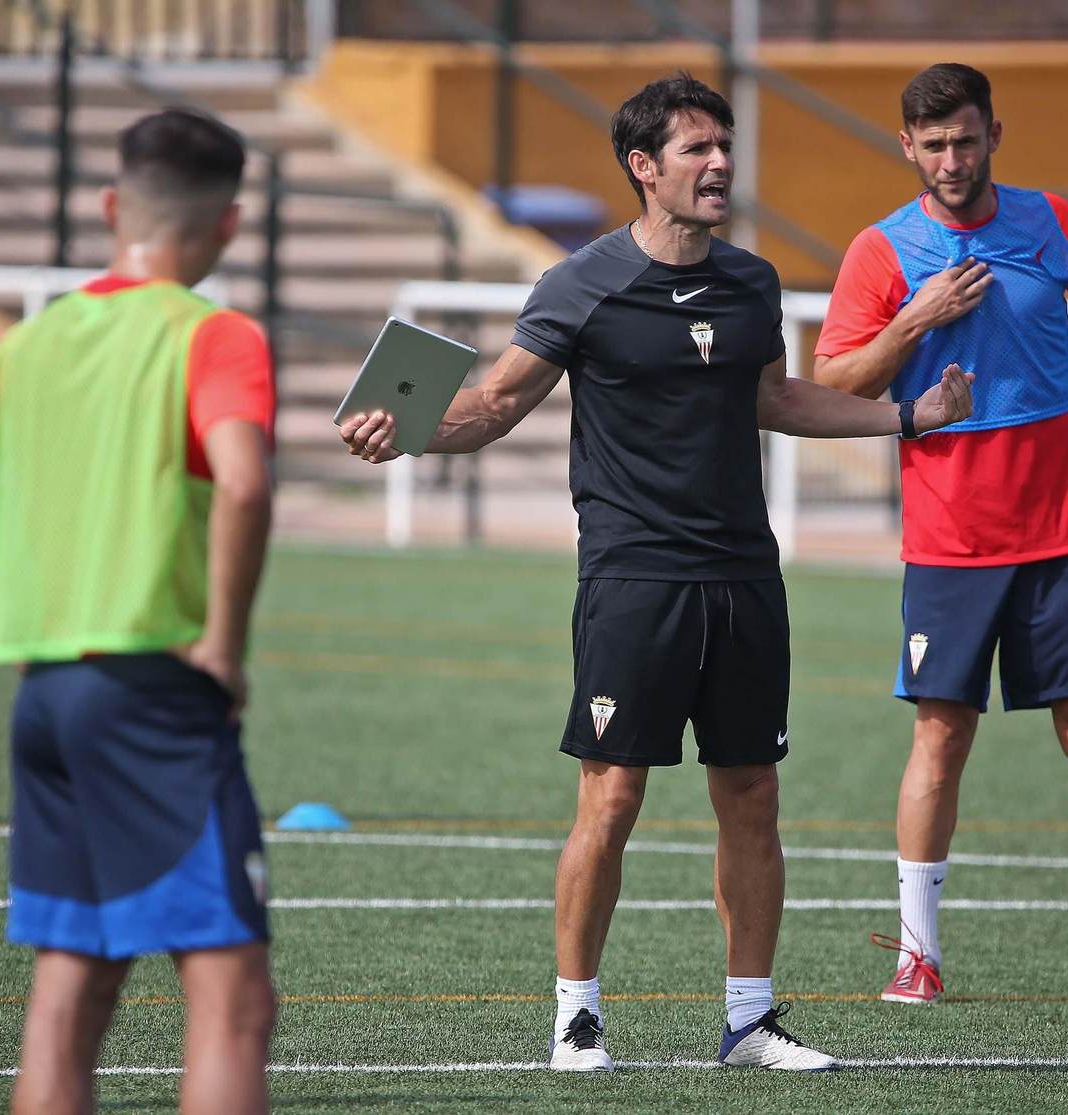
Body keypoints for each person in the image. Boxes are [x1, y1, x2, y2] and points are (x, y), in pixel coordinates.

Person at [339, 72, 974, 1071]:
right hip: (633, 578)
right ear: (643, 167)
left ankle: (751, 1017)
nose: (719, 162)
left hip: (744, 578)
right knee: (613, 796)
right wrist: (405, 430)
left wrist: (907, 416)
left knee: (752, 793)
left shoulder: (751, 282)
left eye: (723, 145)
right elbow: (498, 403)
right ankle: (577, 1014)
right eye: (696, 149)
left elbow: (778, 399)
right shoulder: (577, 284)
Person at [0, 108, 279, 1112]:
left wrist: (0, 614)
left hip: (48, 697)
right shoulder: (212, 333)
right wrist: (223, 643)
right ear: (229, 226)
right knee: (232, 1000)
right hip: (150, 693)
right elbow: (247, 485)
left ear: (112, 206)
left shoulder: (27, 346)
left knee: (69, 989)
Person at [813, 63, 1068, 1010]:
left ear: (993, 136)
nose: (950, 159)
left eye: (965, 139)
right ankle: (918, 954)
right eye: (931, 144)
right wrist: (914, 321)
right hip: (949, 539)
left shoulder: (1047, 221)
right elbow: (836, 383)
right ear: (907, 146)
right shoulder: (881, 250)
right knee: (942, 735)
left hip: (1065, 528)